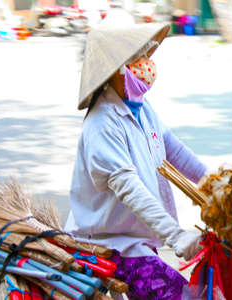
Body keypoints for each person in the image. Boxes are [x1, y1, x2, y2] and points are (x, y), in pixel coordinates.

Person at [64, 22, 207, 300]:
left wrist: (222, 186)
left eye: (147, 57)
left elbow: (176, 152)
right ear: (117, 69)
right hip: (111, 244)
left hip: (137, 237)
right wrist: (176, 236)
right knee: (180, 295)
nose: (146, 65)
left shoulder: (141, 107)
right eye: (138, 59)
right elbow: (128, 186)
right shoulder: (102, 124)